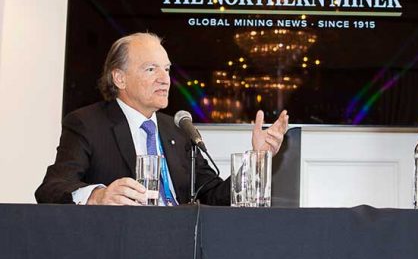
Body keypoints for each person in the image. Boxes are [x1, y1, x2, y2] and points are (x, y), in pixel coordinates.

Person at [35, 32, 289, 205]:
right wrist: (98, 196)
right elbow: (52, 187)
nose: (165, 78)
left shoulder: (178, 129)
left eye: (166, 69)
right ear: (119, 78)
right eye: (150, 69)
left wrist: (257, 158)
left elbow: (213, 195)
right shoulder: (87, 123)